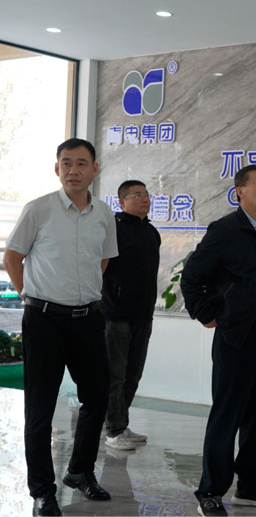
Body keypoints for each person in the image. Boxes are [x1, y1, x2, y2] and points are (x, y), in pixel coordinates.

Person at [3, 138, 118, 516]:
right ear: (57, 169)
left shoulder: (103, 213)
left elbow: (102, 261)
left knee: (97, 397)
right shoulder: (39, 209)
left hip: (88, 319)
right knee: (40, 408)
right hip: (44, 320)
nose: (73, 170)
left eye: (81, 163)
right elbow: (12, 257)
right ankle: (42, 490)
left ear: (94, 170)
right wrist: (29, 294)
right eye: (66, 163)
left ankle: (80, 471)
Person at [181, 165, 256, 517]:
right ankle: (210, 490)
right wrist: (208, 316)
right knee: (228, 413)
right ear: (240, 191)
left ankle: (251, 484)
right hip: (237, 333)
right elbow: (192, 278)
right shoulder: (225, 230)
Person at [101, 180, 161, 451]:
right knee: (115, 376)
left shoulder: (151, 232)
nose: (145, 199)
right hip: (116, 315)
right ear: (122, 202)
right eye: (137, 195)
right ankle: (113, 430)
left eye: (146, 194)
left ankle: (120, 424)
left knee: (133, 374)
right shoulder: (113, 230)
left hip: (143, 315)